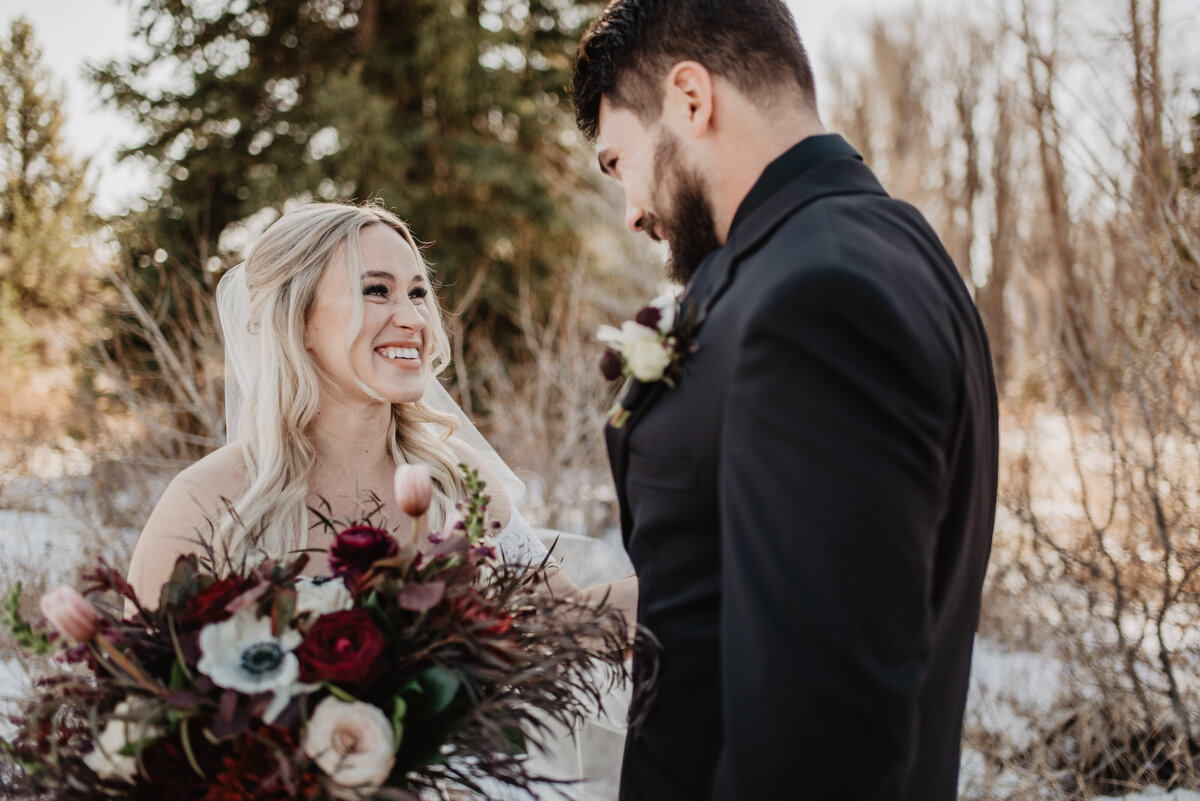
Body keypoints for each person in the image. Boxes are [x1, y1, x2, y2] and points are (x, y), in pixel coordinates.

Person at [570, 2, 999, 800]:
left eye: (619, 159)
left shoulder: (815, 298)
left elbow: (823, 735)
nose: (631, 210)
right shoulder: (887, 248)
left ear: (690, 99)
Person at [126, 201, 635, 799]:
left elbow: (565, 626)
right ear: (298, 320)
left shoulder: (456, 483)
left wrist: (720, 565)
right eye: (376, 290)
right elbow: (140, 726)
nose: (412, 317)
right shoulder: (210, 502)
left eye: (418, 293)